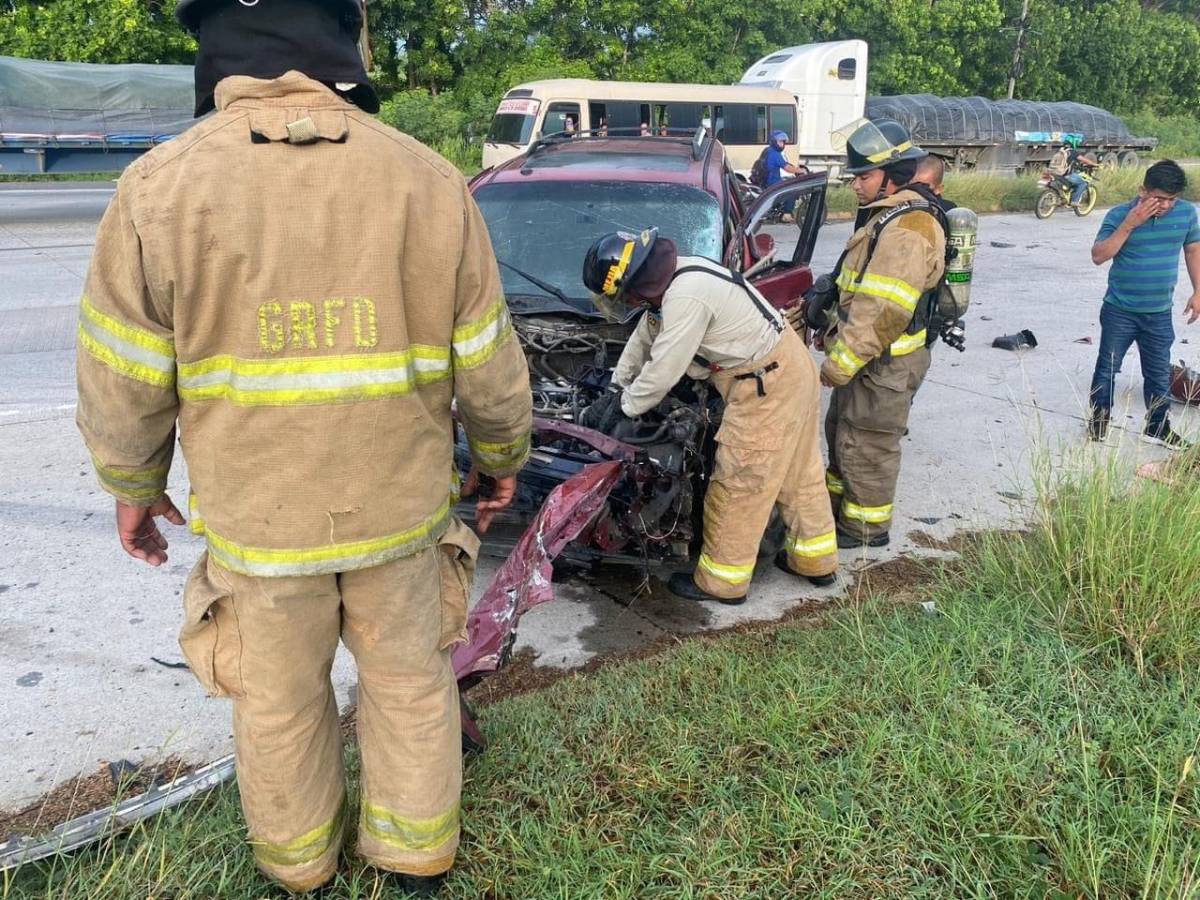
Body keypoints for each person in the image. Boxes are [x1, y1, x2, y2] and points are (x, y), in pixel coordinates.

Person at [74, 0, 533, 893]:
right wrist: (502, 455)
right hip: (399, 515)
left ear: (216, 56)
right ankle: (415, 859)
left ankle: (299, 871)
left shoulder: (158, 187)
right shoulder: (427, 179)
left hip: (259, 525)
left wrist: (133, 486)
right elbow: (488, 358)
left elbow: (122, 375)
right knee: (408, 686)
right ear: (341, 46)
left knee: (279, 708)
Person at [579, 229, 838, 604]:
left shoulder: (686, 296)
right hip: (787, 371)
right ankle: (815, 561)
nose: (627, 302)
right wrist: (617, 385)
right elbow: (644, 339)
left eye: (624, 295)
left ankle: (723, 582)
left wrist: (625, 407)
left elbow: (663, 369)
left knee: (739, 480)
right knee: (798, 473)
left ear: (636, 282)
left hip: (766, 385)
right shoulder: (679, 276)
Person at [821, 119, 946, 548]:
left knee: (867, 446)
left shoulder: (910, 228)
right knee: (844, 435)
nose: (856, 185)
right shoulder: (888, 217)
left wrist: (840, 363)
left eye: (864, 176)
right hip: (870, 360)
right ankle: (837, 515)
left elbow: (884, 310)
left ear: (892, 177)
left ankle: (864, 529)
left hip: (885, 364)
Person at [1087, 159, 1200, 447]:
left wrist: (1198, 291)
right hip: (1119, 310)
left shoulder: (1186, 214)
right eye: (1158, 198)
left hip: (1159, 312)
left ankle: (1157, 427)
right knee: (1107, 368)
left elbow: (1193, 252)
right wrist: (1130, 224)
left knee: (1159, 372)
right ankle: (1098, 422)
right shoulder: (1119, 215)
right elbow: (1099, 255)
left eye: (1171, 200)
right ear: (1142, 191)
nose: (1164, 206)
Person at [1050, 136, 1098, 207]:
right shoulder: (1072, 152)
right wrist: (1094, 164)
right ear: (1073, 143)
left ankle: (1063, 199)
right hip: (1064, 174)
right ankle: (1074, 201)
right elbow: (1084, 160)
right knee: (1083, 183)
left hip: (1053, 172)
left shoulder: (1060, 150)